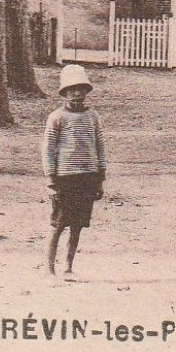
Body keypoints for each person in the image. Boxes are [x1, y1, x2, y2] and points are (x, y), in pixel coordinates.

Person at [43, 63, 106, 275]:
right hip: (65, 179)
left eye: (81, 89)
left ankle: (68, 266)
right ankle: (49, 269)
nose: (77, 94)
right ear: (64, 93)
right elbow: (48, 150)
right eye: (72, 90)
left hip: (87, 178)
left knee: (77, 225)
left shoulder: (93, 117)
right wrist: (51, 179)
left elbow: (100, 147)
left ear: (87, 92)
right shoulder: (57, 118)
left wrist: (100, 178)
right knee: (59, 224)